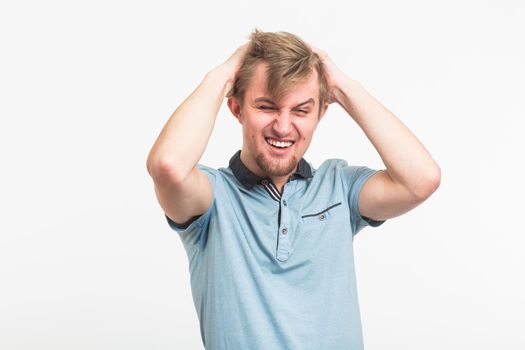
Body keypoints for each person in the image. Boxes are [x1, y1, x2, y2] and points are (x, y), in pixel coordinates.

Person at [146, 29, 440, 350]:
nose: (283, 127)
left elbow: (421, 179)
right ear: (236, 108)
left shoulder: (339, 187)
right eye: (266, 107)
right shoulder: (212, 199)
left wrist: (342, 86)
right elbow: (168, 166)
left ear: (320, 114)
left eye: (301, 110)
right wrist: (221, 75)